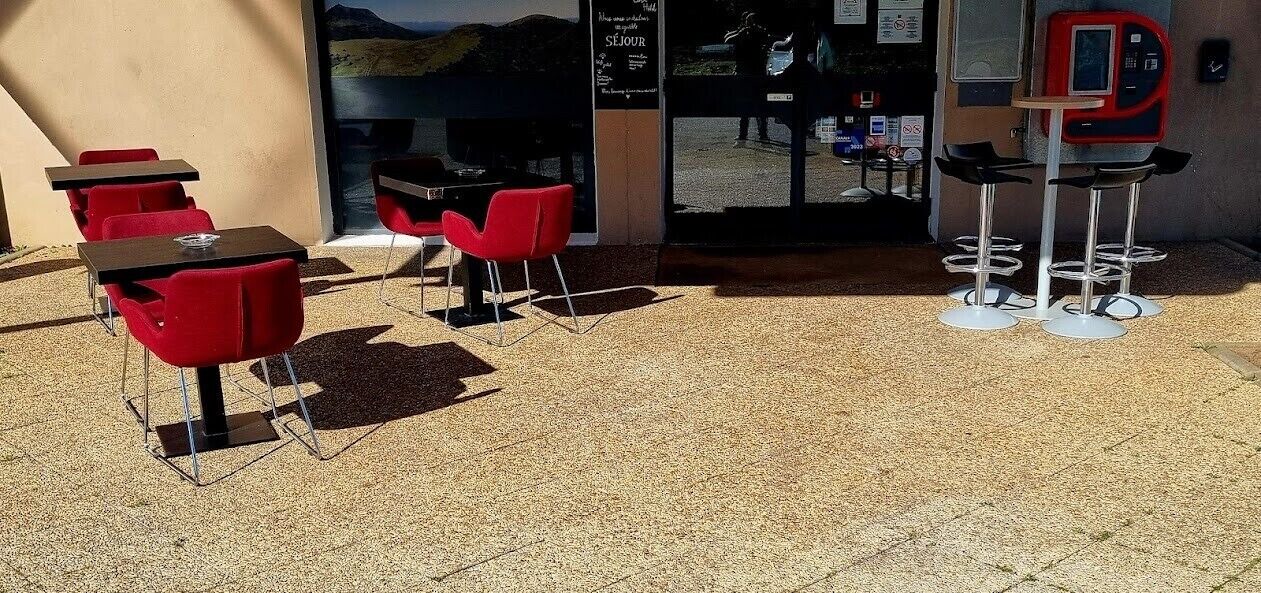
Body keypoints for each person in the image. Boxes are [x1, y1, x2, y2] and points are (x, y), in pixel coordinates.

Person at [725, 12, 769, 145]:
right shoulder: (754, 33)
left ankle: (747, 135)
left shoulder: (753, 33)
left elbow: (728, 39)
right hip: (755, 73)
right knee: (757, 106)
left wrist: (743, 31)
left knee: (749, 106)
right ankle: (759, 135)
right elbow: (728, 39)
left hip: (751, 73)